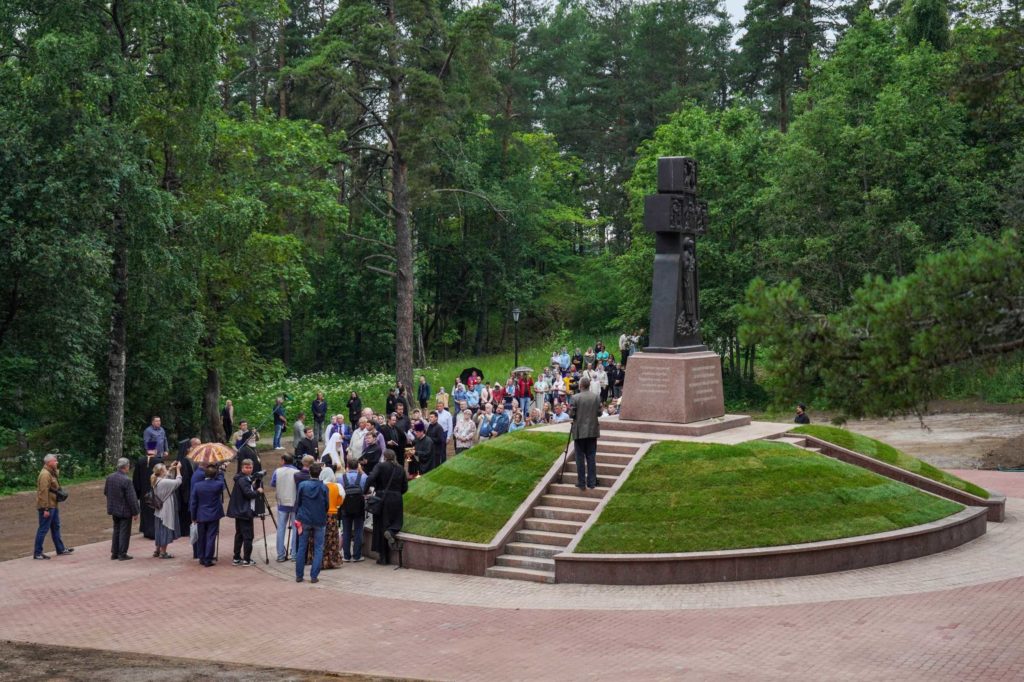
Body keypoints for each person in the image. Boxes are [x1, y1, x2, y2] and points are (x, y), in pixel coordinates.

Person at [367, 449, 408, 565]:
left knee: (381, 526)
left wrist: (366, 490)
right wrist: (397, 493)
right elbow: (405, 486)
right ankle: (391, 531)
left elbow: (370, 478)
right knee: (396, 522)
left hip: (382, 498)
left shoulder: (380, 466)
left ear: (384, 457)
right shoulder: (400, 468)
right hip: (396, 498)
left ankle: (383, 557)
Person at [294, 463, 329, 583]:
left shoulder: (303, 485)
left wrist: (298, 514)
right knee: (318, 548)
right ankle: (314, 576)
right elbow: (326, 505)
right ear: (320, 473)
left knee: (302, 547)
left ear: (310, 472)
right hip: (319, 519)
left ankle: (299, 575)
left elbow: (298, 501)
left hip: (304, 518)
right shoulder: (324, 487)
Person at [33, 454, 71, 560]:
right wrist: (45, 508)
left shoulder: (51, 472)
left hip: (53, 504)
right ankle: (37, 553)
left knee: (56, 527)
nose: (57, 462)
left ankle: (60, 549)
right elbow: (43, 492)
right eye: (55, 461)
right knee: (43, 529)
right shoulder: (45, 474)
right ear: (49, 462)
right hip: (48, 506)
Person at [226, 458, 262, 566]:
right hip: (244, 512)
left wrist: (257, 482)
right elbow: (249, 493)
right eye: (246, 467)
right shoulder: (243, 480)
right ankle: (247, 559)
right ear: (242, 468)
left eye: (250, 467)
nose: (249, 469)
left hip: (240, 511)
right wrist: (258, 492)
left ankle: (237, 557)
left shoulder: (242, 478)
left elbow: (248, 489)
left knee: (239, 535)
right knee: (248, 536)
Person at [189, 464, 227, 567]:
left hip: (200, 514)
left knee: (201, 537)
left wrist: (193, 516)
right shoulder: (218, 485)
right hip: (214, 514)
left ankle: (201, 557)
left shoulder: (198, 486)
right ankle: (208, 558)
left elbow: (194, 502)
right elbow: (221, 483)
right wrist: (221, 472)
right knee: (211, 536)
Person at [104, 458, 139, 561]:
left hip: (114, 508)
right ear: (126, 466)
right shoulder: (127, 480)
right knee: (124, 531)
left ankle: (114, 553)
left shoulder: (109, 477)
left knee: (116, 530)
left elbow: (106, 492)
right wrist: (136, 512)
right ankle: (122, 553)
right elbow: (132, 498)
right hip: (125, 510)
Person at [570, 376, 601, 490]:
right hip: (592, 431)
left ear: (580, 385)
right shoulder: (596, 397)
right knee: (591, 457)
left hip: (579, 432)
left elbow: (571, 414)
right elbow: (600, 413)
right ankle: (592, 482)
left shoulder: (575, 397)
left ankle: (581, 482)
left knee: (580, 458)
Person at [151, 461, 183, 559]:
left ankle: (157, 550)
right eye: (164, 468)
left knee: (159, 529)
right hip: (166, 509)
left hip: (159, 510)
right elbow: (178, 481)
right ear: (161, 471)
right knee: (165, 529)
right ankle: (163, 552)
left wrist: (170, 469)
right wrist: (178, 470)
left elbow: (166, 477)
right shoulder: (164, 482)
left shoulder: (156, 480)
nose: (166, 469)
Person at [271, 453, 298, 562]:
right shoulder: (297, 472)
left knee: (281, 529)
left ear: (283, 460)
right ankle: (294, 554)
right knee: (296, 529)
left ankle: (281, 555)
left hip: (282, 503)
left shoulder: (277, 471)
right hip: (294, 503)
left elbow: (273, 483)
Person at [339, 456, 367, 562]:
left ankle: (346, 556)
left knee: (346, 531)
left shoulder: (341, 478)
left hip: (345, 507)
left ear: (347, 466)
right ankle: (357, 555)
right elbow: (366, 490)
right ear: (358, 466)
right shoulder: (363, 477)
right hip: (359, 507)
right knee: (358, 531)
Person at [133, 443, 163, 539]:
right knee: (154, 511)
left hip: (143, 491)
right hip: (155, 490)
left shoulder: (140, 461)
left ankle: (146, 531)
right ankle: (154, 531)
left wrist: (137, 493)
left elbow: (136, 479)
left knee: (145, 511)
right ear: (155, 451)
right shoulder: (158, 461)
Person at [322, 475, 344, 569]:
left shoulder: (321, 486)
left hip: (322, 514)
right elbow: (341, 499)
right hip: (333, 513)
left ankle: (322, 560)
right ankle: (332, 560)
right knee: (332, 538)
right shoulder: (336, 486)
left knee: (322, 538)